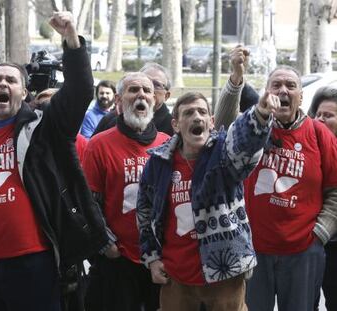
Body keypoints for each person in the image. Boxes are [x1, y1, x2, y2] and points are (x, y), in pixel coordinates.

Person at [0, 11, 109, 311]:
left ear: (24, 92)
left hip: (33, 265)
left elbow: (79, 92)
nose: (4, 84)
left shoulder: (44, 128)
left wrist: (71, 40)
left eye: (11, 80)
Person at [215, 49, 337, 311]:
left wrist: (320, 233)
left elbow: (335, 191)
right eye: (276, 85)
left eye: (291, 85)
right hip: (253, 248)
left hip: (303, 250)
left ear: (301, 96)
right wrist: (237, 78)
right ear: (266, 93)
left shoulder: (319, 134)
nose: (284, 90)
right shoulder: (253, 126)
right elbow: (223, 124)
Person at [136, 90, 273, 311]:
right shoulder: (158, 162)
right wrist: (151, 258)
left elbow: (245, 146)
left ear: (211, 122)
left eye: (202, 112)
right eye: (188, 113)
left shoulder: (224, 153)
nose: (196, 117)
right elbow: (144, 212)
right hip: (176, 276)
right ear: (176, 124)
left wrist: (260, 115)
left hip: (225, 275)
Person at [83, 72, 170, 311]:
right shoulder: (99, 145)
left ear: (155, 100)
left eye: (147, 91)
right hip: (118, 259)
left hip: (161, 259)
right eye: (133, 90)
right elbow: (88, 203)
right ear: (119, 101)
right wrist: (105, 244)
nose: (141, 95)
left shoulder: (168, 144)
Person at [91, 62, 174, 137]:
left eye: (156, 85)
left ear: (166, 96)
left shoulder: (173, 126)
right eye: (144, 81)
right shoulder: (111, 120)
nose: (143, 92)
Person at [310, 86, 337, 311]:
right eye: (318, 114)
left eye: (328, 116)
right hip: (307, 244)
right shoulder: (307, 149)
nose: (320, 119)